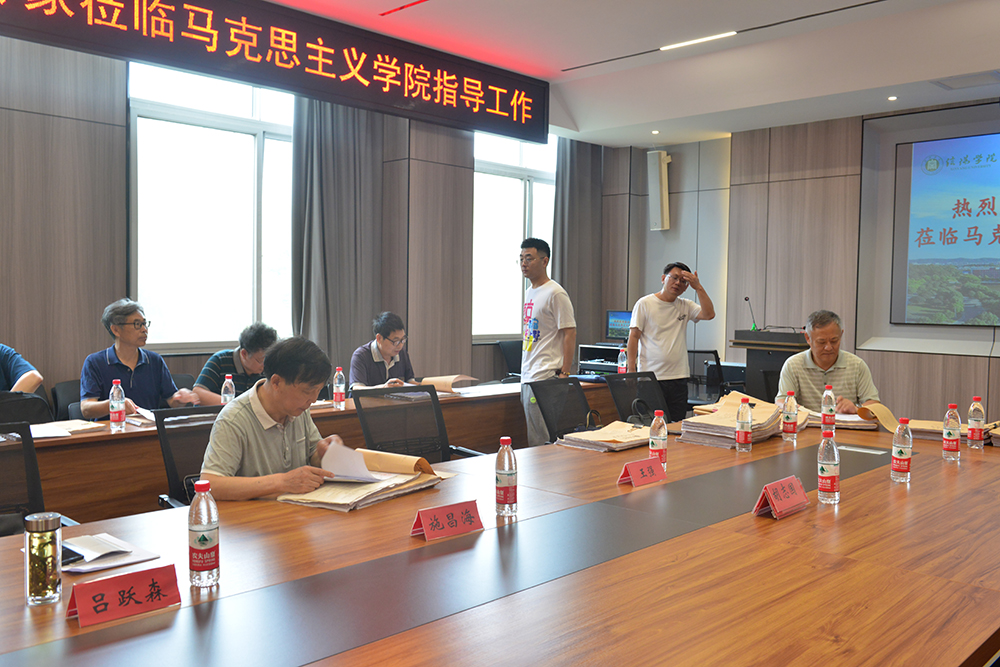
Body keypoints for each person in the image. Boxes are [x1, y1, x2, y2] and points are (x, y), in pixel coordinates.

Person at [200, 336, 344, 501]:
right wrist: (282, 482)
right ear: (276, 382)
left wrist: (325, 453)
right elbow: (211, 484)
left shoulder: (298, 410)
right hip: (255, 514)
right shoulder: (233, 419)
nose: (313, 399)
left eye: (318, 390)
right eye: (307, 391)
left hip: (296, 510)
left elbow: (313, 455)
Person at [626, 262, 716, 423]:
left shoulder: (685, 305)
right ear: (663, 278)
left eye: (683, 281)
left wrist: (698, 287)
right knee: (651, 425)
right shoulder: (645, 303)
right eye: (674, 278)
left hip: (678, 377)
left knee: (676, 425)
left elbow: (709, 314)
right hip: (650, 378)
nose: (678, 283)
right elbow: (633, 337)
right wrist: (631, 369)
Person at [80, 299, 199, 419]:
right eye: (137, 324)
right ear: (116, 330)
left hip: (148, 428)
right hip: (112, 429)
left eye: (145, 324)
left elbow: (172, 401)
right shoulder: (95, 362)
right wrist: (116, 404)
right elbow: (86, 409)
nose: (144, 329)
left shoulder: (154, 360)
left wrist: (180, 398)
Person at [519, 238, 577, 447]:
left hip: (546, 376)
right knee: (535, 435)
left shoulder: (555, 293)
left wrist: (565, 373)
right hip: (529, 374)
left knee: (540, 440)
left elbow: (569, 332)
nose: (523, 263)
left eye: (529, 258)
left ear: (544, 261)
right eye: (521, 258)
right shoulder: (529, 292)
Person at [776, 310, 880, 413]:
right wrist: (793, 407)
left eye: (834, 341)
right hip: (808, 422)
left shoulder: (857, 366)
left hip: (843, 423)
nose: (828, 347)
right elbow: (781, 401)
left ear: (841, 335)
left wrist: (856, 409)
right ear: (808, 338)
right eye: (821, 342)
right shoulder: (793, 365)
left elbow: (874, 405)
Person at [193, 323, 278, 405]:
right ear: (244, 354)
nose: (265, 365)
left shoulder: (269, 367)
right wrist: (234, 405)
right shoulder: (220, 360)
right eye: (260, 361)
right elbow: (198, 393)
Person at [349, 312, 415, 389]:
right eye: (396, 341)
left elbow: (410, 382)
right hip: (371, 397)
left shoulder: (402, 353)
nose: (400, 345)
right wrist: (383, 388)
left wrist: (425, 384)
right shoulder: (361, 355)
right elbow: (357, 388)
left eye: (403, 340)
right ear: (379, 338)